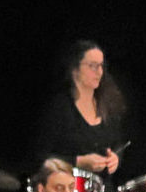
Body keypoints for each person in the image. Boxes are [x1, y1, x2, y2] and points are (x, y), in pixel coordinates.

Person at [34, 40, 128, 175]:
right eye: (92, 66)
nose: (99, 72)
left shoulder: (108, 104)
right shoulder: (59, 108)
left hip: (102, 186)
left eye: (101, 66)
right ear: (74, 70)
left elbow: (118, 143)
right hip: (68, 184)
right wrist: (77, 162)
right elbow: (40, 157)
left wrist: (116, 158)